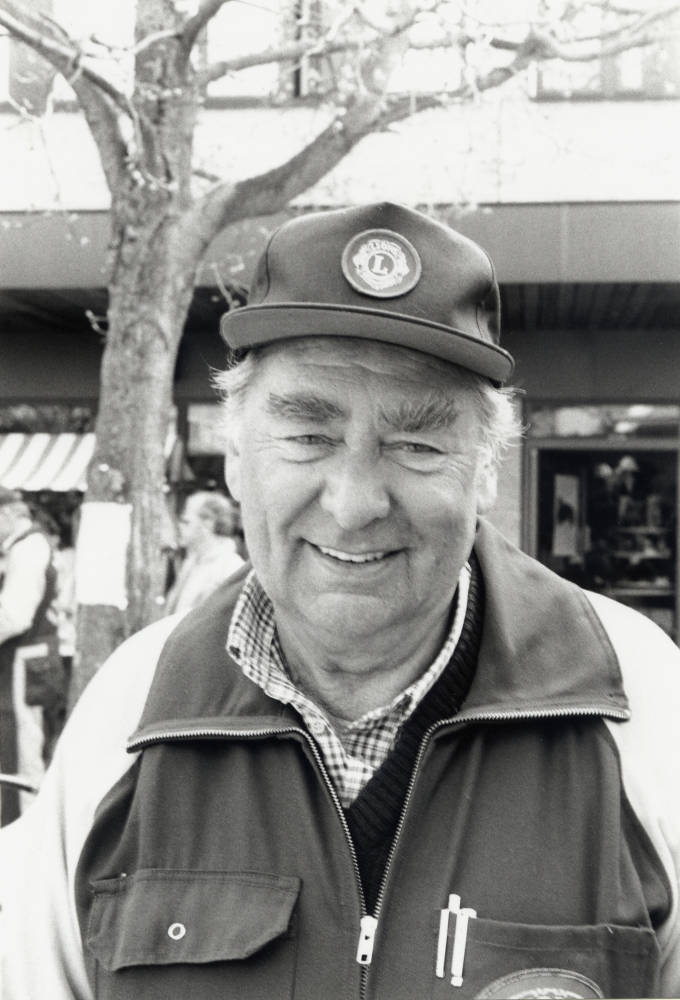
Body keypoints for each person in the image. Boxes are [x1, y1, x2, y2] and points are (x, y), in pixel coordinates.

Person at [1, 203, 679, 999]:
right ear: (238, 456)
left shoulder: (644, 707)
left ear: (488, 471)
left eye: (417, 444)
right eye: (308, 436)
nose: (355, 503)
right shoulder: (129, 713)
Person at [0, 487, 61, 825]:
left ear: (10, 514)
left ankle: (24, 829)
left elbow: (12, 615)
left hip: (24, 663)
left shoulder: (26, 550)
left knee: (21, 753)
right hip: (29, 660)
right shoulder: (27, 546)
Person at [163, 491, 244, 615]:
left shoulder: (230, 568)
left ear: (208, 524)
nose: (179, 526)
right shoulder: (192, 562)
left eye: (186, 521)